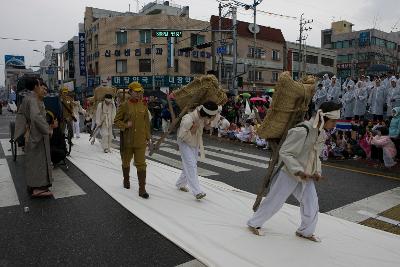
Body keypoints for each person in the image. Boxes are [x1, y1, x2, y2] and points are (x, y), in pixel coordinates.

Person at [247, 101, 342, 242]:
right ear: (323, 118)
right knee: (275, 200)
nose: (334, 124)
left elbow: (316, 156)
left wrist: (317, 172)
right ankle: (254, 223)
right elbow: (285, 152)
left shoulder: (321, 134)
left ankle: (305, 231)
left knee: (311, 202)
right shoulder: (302, 130)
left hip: (306, 174)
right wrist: (298, 171)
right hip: (288, 172)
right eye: (333, 121)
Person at [14, 78, 54, 197]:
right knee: (39, 161)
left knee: (34, 161)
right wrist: (47, 130)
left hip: (31, 133)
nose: (43, 88)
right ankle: (38, 188)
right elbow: (36, 117)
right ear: (36, 86)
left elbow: (21, 114)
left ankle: (33, 185)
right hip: (37, 134)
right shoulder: (33, 100)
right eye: (41, 85)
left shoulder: (28, 98)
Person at [114, 82, 151, 198]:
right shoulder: (124, 105)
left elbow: (146, 124)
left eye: (139, 91)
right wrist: (125, 125)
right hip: (128, 141)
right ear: (130, 92)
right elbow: (116, 121)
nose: (138, 93)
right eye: (136, 91)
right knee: (126, 162)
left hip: (140, 141)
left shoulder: (143, 106)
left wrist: (148, 138)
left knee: (141, 164)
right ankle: (126, 179)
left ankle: (142, 189)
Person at [176, 101, 219, 200]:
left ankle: (180, 183)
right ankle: (197, 191)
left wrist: (207, 125)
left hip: (195, 142)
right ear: (207, 115)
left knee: (190, 163)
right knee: (191, 165)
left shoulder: (203, 116)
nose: (212, 118)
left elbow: (208, 125)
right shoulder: (188, 119)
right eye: (211, 116)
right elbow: (181, 136)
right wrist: (192, 130)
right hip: (184, 143)